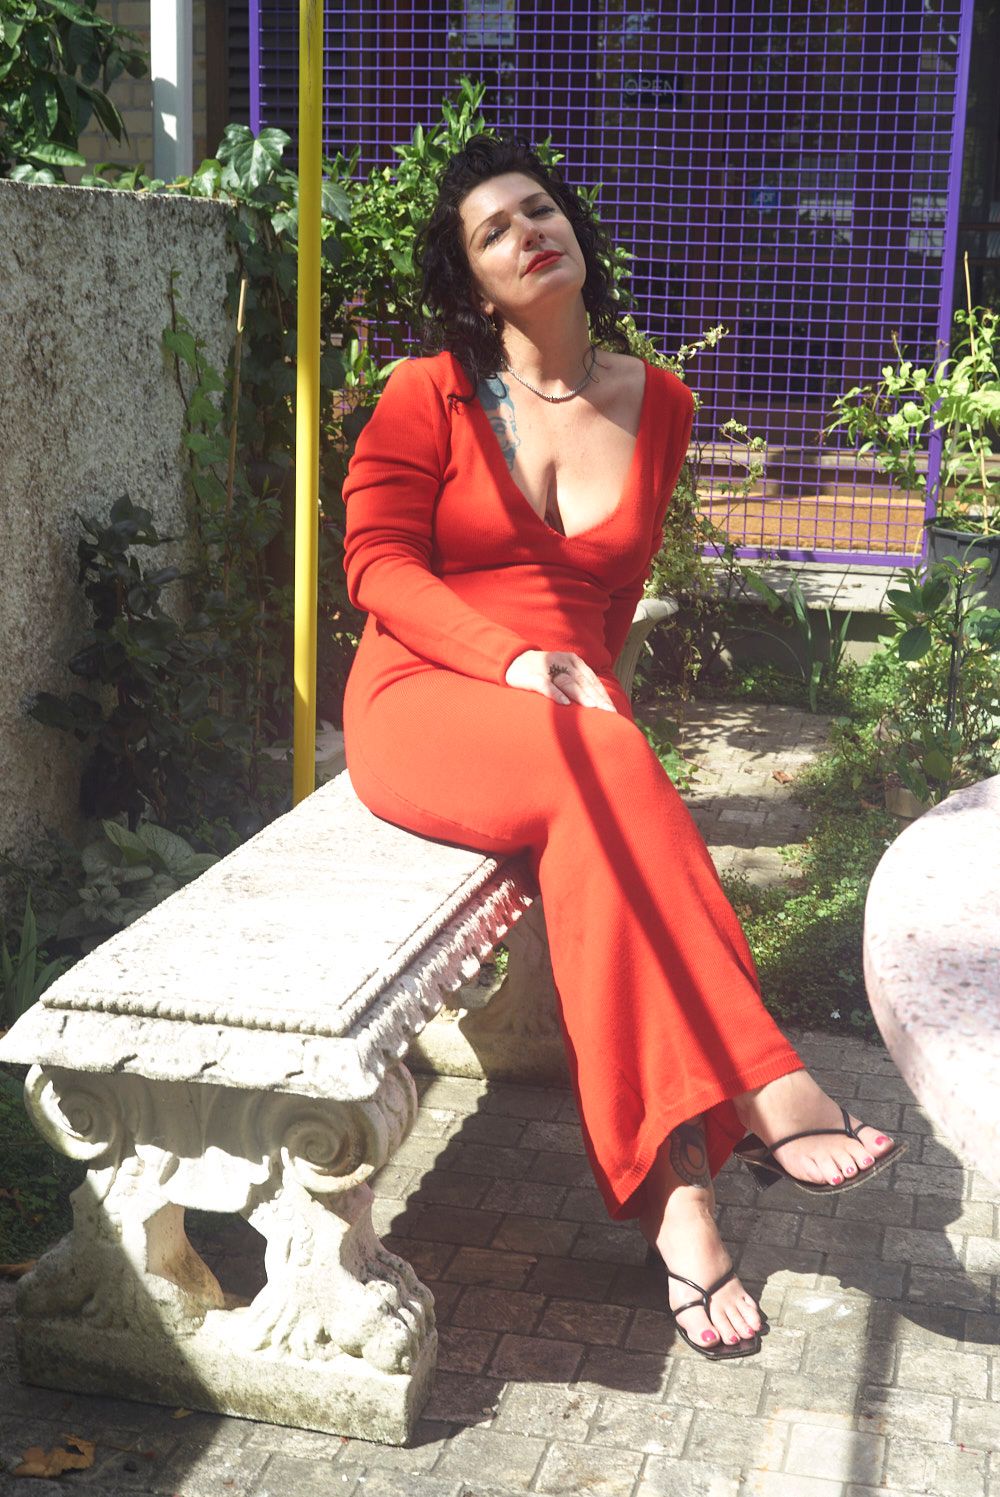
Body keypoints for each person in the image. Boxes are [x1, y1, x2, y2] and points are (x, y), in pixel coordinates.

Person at [340, 134, 904, 1361]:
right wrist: (509, 659)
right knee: (598, 773)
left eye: (537, 209)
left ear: (576, 230)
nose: (525, 234)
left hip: (570, 716)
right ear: (473, 279)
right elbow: (376, 566)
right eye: (492, 231)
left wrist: (587, 699)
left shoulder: (660, 405)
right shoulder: (425, 392)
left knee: (601, 817)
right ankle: (761, 1078)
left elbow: (605, 601)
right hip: (429, 688)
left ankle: (681, 1208)